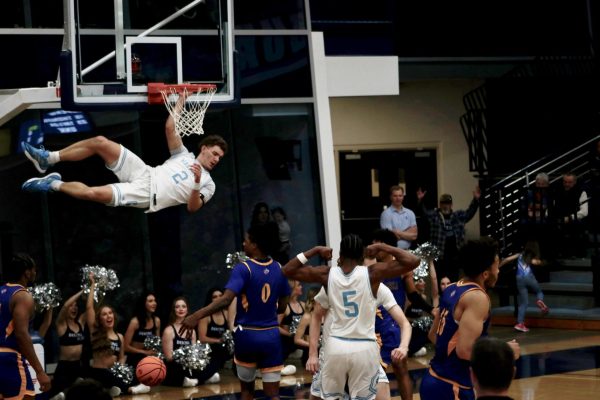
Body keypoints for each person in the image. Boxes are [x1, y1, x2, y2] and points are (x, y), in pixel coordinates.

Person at [21, 92, 227, 213]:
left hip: (147, 194)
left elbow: (192, 208)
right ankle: (49, 158)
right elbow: (170, 128)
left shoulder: (209, 184)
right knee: (101, 142)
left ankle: (53, 184)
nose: (217, 159)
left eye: (220, 157)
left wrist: (197, 181)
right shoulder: (184, 155)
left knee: (93, 193)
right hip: (145, 172)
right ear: (204, 148)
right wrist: (181, 103)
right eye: (215, 153)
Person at [282, 234, 421, 400]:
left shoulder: (326, 275)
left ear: (340, 255)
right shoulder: (372, 274)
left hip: (335, 347)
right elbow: (414, 261)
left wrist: (315, 250)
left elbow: (287, 270)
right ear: (363, 256)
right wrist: (384, 247)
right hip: (364, 348)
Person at [180, 222, 291, 400]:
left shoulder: (243, 268)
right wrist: (271, 313)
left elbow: (225, 299)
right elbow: (284, 304)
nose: (243, 244)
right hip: (271, 335)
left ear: (255, 244)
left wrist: (196, 316)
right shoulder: (279, 268)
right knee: (273, 395)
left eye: (246, 241)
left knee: (247, 392)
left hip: (247, 335)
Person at [420, 237, 517, 400]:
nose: (498, 271)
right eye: (496, 266)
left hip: (432, 381)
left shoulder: (451, 288)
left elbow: (433, 335)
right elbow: (464, 350)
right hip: (452, 387)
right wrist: (503, 352)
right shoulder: (477, 298)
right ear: (485, 274)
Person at [306, 282, 412, 400]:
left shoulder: (378, 287)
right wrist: (312, 354)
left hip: (364, 356)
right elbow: (316, 316)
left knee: (382, 393)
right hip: (331, 357)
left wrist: (403, 347)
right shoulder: (334, 283)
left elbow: (405, 323)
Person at [85, 274, 150, 396]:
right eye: (104, 314)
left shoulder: (119, 336)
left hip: (113, 372)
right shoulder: (96, 333)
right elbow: (89, 308)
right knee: (107, 377)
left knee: (131, 377)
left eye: (110, 313)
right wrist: (93, 285)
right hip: (98, 372)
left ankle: (114, 389)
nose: (108, 316)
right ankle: (130, 390)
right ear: (99, 319)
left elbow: (121, 357)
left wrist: (121, 369)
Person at [0, 253, 51, 398]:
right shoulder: (22, 295)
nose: (35, 273)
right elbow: (21, 335)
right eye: (34, 269)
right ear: (27, 272)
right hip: (9, 359)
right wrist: (40, 372)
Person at [417, 186, 481, 282]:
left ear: (451, 205)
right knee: (439, 280)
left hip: (454, 256)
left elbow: (469, 213)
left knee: (454, 280)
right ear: (440, 204)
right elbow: (423, 213)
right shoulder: (434, 215)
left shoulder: (458, 216)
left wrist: (475, 200)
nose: (445, 205)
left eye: (447, 203)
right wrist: (420, 201)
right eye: (443, 203)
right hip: (439, 256)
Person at [500, 240, 549, 332]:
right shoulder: (532, 256)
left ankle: (520, 323)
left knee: (524, 303)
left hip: (519, 279)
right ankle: (539, 300)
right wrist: (541, 262)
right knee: (539, 291)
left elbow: (506, 259)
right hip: (529, 277)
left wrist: (498, 266)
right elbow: (536, 262)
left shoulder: (520, 254)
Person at [50, 289, 89, 396]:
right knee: (60, 396)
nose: (74, 308)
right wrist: (82, 291)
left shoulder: (81, 322)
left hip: (77, 366)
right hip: (64, 368)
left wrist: (93, 288)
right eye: (72, 305)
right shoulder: (61, 324)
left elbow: (92, 307)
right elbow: (65, 306)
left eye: (76, 305)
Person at [161, 296, 200, 387]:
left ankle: (190, 380)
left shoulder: (192, 331)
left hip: (188, 366)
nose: (181, 309)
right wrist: (184, 355)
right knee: (176, 367)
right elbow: (169, 358)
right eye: (177, 307)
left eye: (183, 306)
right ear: (173, 310)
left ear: (187, 309)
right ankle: (189, 380)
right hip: (174, 367)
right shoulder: (169, 331)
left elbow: (194, 353)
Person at [197, 287, 233, 384]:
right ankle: (207, 376)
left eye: (220, 296)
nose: (218, 299)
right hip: (210, 350)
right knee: (218, 349)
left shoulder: (227, 313)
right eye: (214, 297)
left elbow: (232, 330)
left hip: (225, 348)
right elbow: (202, 338)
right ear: (210, 299)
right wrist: (218, 341)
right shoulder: (206, 316)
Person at [551, 172, 589, 258]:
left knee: (575, 227)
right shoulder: (557, 192)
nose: (567, 184)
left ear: (575, 182)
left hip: (574, 220)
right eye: (565, 182)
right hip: (559, 219)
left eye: (569, 182)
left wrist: (570, 218)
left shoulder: (581, 192)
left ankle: (574, 253)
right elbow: (551, 207)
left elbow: (584, 212)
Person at [123, 292, 161, 371]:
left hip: (150, 360)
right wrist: (144, 352)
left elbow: (158, 344)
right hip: (135, 359)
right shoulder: (135, 322)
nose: (154, 303)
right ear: (143, 303)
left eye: (154, 301)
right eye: (150, 301)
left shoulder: (157, 321)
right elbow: (125, 347)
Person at [380, 185, 418, 250]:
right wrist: (407, 232)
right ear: (391, 197)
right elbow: (389, 238)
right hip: (392, 252)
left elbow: (414, 236)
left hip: (408, 251)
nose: (398, 198)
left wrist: (398, 233)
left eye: (400, 196)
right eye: (395, 196)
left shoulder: (410, 213)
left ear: (403, 197)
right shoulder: (385, 214)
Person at [279, 279, 305, 364]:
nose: (301, 287)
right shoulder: (285, 306)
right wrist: (289, 334)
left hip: (298, 340)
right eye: (299, 285)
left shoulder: (303, 305)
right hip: (286, 341)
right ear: (292, 289)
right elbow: (275, 326)